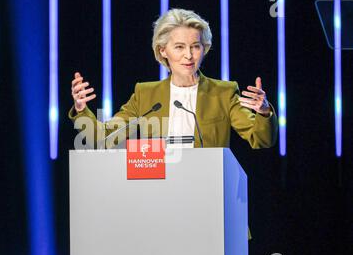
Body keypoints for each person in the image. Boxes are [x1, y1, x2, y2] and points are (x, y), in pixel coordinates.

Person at [69, 8, 278, 150]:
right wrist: (81, 109)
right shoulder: (146, 94)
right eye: (179, 47)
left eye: (195, 47)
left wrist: (264, 111)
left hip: (207, 191)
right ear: (163, 51)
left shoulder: (223, 93)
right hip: (157, 191)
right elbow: (106, 137)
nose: (189, 55)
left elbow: (261, 138)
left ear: (204, 50)